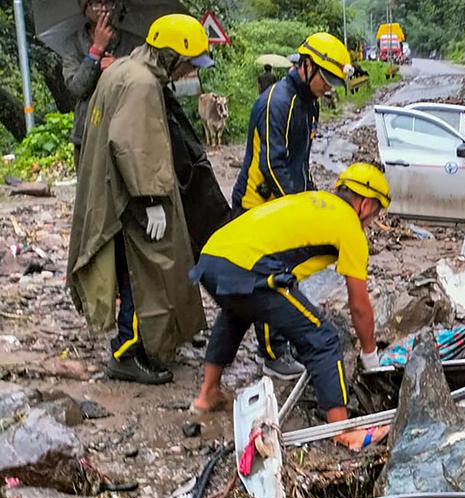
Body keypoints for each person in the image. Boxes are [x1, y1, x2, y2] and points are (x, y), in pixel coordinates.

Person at [189, 164, 390, 449]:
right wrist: (370, 355)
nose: (372, 219)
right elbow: (359, 305)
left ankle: (207, 395)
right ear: (365, 204)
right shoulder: (350, 227)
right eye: (376, 212)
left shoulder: (314, 200)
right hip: (250, 270)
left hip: (212, 256)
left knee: (236, 311)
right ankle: (343, 430)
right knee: (324, 338)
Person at [67, 14, 216, 384]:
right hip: (131, 195)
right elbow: (132, 144)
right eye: (188, 65)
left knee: (131, 268)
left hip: (113, 188)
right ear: (171, 56)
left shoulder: (125, 68)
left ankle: (150, 341)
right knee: (143, 273)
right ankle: (125, 351)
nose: (187, 73)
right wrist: (151, 198)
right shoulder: (142, 84)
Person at [228, 32, 352, 381]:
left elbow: (301, 158)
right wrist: (295, 209)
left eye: (333, 82)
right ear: (306, 65)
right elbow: (272, 163)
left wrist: (312, 197)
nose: (328, 87)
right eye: (326, 79)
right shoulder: (275, 103)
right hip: (259, 203)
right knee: (271, 280)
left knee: (280, 278)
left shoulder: (310, 103)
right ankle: (272, 353)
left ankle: (272, 339)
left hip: (287, 199)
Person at [62, 0, 141, 164]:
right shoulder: (73, 44)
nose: (103, 9)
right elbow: (77, 88)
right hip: (87, 132)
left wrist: (119, 66)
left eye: (108, 3)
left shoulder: (132, 43)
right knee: (90, 188)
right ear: (85, 7)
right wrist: (96, 51)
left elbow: (143, 82)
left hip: (126, 132)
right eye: (97, 3)